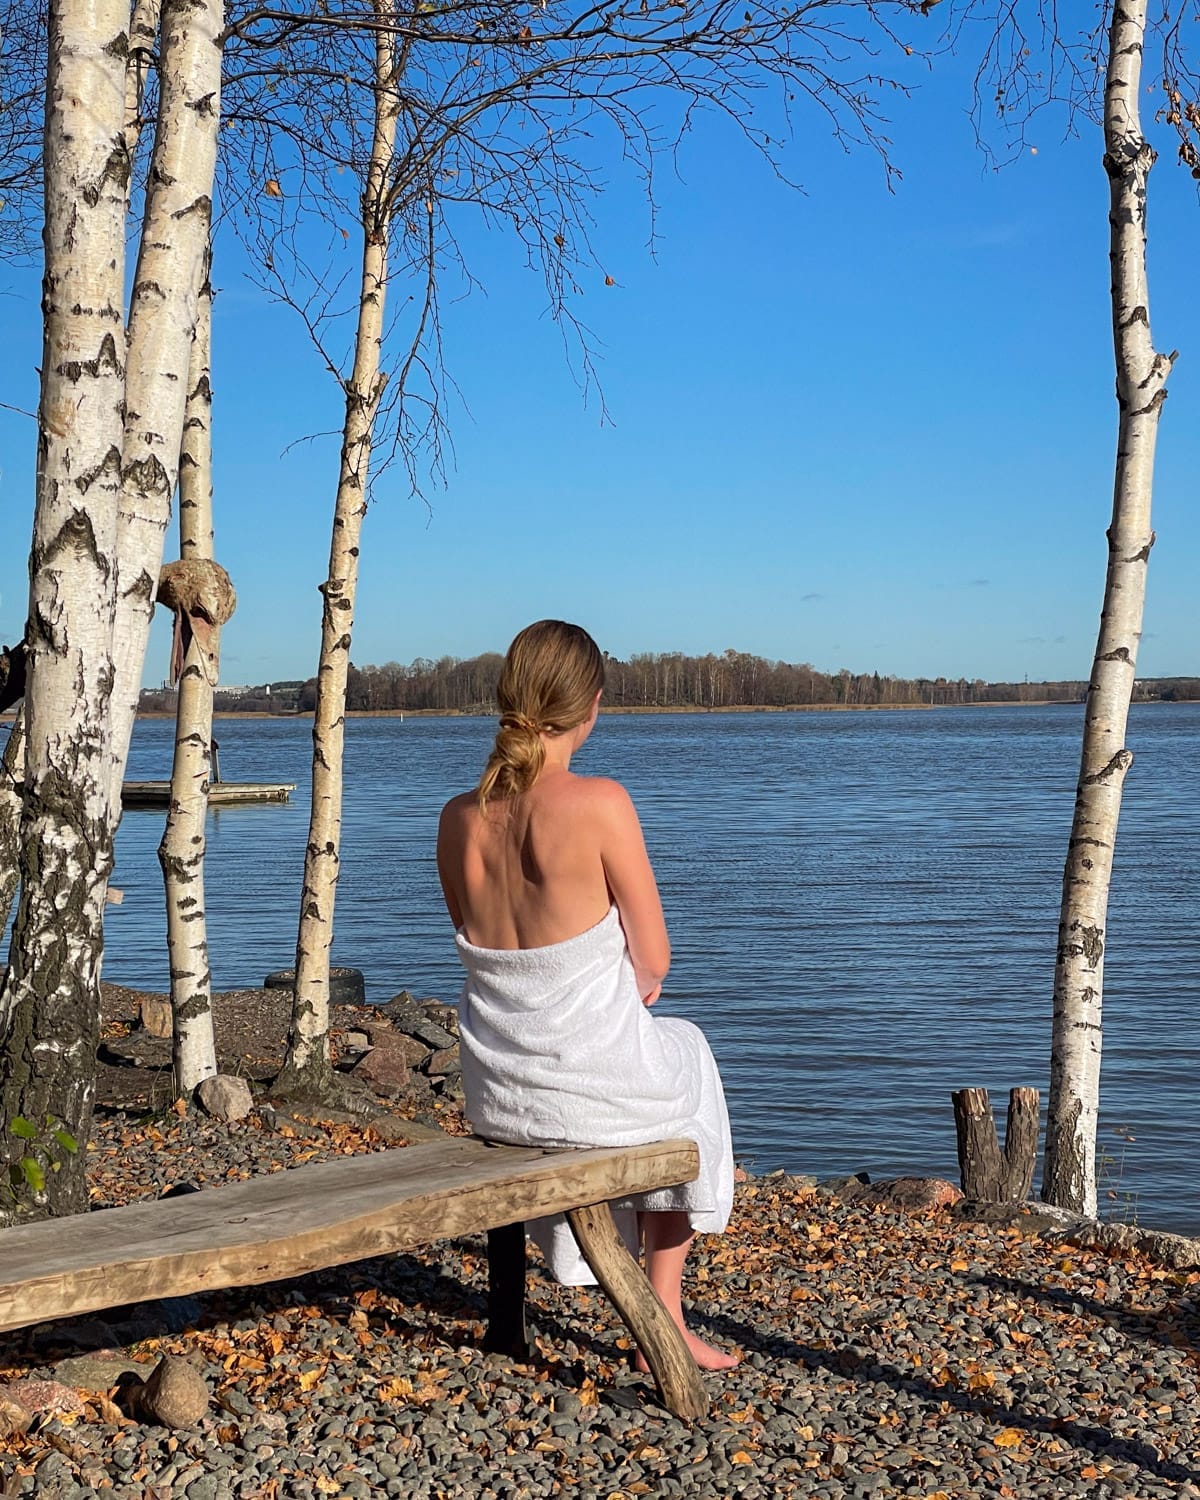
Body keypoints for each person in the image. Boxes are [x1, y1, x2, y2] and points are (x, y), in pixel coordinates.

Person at [436, 619, 738, 1371]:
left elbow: (490, 949)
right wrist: (628, 991)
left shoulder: (456, 820)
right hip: (580, 1087)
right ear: (592, 707)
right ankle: (663, 1313)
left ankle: (646, 1303)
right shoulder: (600, 802)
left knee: (659, 1060)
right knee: (689, 1053)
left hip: (501, 1094)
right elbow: (655, 957)